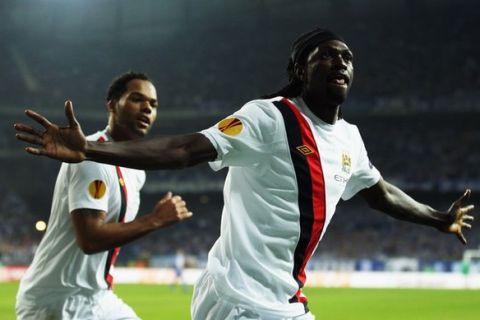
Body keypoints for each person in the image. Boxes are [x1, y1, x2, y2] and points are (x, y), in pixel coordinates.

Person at [15, 29, 474, 320]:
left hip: (283, 301)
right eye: (326, 55)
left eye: (348, 57)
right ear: (300, 69)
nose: (340, 62)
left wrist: (438, 218)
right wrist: (94, 149)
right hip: (238, 301)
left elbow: (379, 192)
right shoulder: (266, 118)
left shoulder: (350, 139)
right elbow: (187, 148)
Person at [15, 72, 192, 320]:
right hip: (59, 301)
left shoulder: (136, 169)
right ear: (112, 104)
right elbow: (90, 239)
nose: (146, 109)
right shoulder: (90, 158)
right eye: (137, 99)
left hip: (96, 297)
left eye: (153, 105)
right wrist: (156, 220)